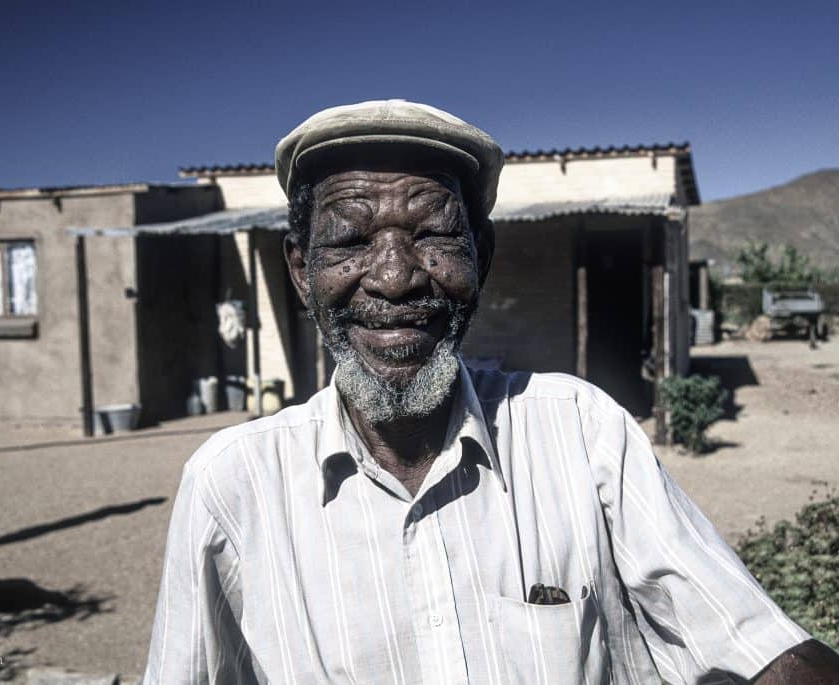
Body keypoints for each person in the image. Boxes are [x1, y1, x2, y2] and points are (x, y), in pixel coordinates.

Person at [143, 101, 839, 683]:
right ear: (301, 271)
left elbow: (754, 645)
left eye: (434, 235)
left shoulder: (583, 432)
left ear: (483, 252)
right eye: (350, 239)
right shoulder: (231, 488)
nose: (394, 278)